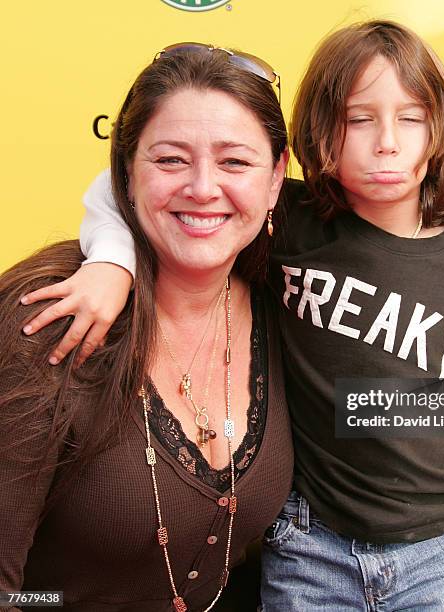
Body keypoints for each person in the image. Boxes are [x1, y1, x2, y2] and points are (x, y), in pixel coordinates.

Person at [19, 21, 444, 611]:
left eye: (412, 117)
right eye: (359, 119)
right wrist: (114, 263)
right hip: (306, 543)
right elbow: (131, 183)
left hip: (438, 550)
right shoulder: (288, 216)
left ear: (443, 129)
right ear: (319, 133)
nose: (387, 142)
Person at [0, 45, 294, 612]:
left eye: (235, 162)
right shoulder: (48, 322)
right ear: (124, 173)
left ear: (277, 177)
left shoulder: (286, 304)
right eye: (170, 161)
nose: (204, 188)